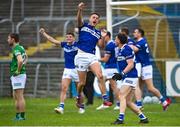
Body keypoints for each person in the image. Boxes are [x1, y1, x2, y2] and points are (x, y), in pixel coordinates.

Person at [75, 2, 112, 110]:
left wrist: (104, 38)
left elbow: (101, 46)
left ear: (98, 21)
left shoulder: (98, 32)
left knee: (100, 76)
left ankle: (105, 99)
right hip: (81, 56)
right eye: (93, 17)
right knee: (82, 83)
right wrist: (80, 10)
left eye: (97, 18)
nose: (95, 19)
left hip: (91, 57)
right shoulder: (84, 26)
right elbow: (78, 20)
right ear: (90, 19)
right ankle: (78, 96)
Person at [39, 28, 85, 114]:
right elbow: (52, 40)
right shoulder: (64, 45)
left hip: (76, 70)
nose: (68, 38)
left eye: (70, 37)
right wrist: (43, 33)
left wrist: (79, 31)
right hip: (67, 69)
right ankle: (61, 107)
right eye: (67, 37)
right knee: (64, 88)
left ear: (74, 38)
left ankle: (81, 106)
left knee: (79, 91)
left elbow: (84, 39)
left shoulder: (77, 45)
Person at [112, 33, 148, 124]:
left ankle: (120, 119)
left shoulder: (126, 49)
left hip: (130, 76)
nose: (115, 41)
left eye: (116, 39)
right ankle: (143, 118)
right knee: (127, 101)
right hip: (129, 76)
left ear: (119, 40)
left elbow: (131, 64)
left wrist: (122, 73)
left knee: (121, 95)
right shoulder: (121, 49)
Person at [132, 28, 171, 111]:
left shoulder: (141, 42)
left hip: (146, 66)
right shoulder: (138, 42)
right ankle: (138, 103)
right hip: (142, 66)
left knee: (150, 88)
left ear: (140, 34)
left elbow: (135, 49)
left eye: (135, 32)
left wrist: (127, 45)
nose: (133, 34)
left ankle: (164, 101)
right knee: (139, 86)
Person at [120, 27, 143, 109]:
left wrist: (122, 73)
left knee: (136, 85)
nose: (134, 33)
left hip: (135, 66)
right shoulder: (124, 47)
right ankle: (141, 113)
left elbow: (135, 50)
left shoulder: (128, 44)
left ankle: (139, 104)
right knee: (128, 99)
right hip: (133, 66)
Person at [97, 30, 120, 110]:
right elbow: (101, 45)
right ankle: (106, 101)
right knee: (100, 81)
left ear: (108, 36)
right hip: (112, 67)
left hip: (110, 68)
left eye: (104, 36)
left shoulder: (110, 45)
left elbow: (106, 59)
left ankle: (118, 103)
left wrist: (97, 59)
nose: (103, 38)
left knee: (113, 86)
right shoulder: (114, 43)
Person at [8, 33, 28, 120]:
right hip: (19, 75)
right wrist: (23, 65)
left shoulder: (16, 49)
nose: (7, 40)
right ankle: (18, 116)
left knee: (19, 96)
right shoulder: (21, 47)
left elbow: (20, 61)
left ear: (13, 39)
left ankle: (22, 117)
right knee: (16, 96)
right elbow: (26, 58)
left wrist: (18, 70)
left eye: (8, 38)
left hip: (18, 75)